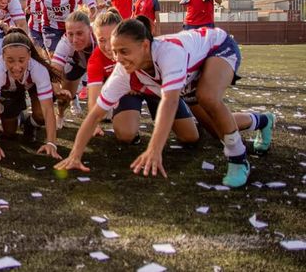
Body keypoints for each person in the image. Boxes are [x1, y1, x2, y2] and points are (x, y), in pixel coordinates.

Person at [56, 17, 274, 188]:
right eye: (115, 52)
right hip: (188, 74)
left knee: (207, 97)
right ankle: (262, 121)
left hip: (216, 47)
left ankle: (238, 158)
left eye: (124, 51)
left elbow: (169, 101)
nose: (118, 59)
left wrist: (154, 148)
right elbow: (95, 113)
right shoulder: (122, 72)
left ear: (144, 45)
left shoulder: (169, 53)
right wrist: (75, 155)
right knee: (215, 128)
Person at [84, 10, 198, 144]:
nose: (109, 46)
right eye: (102, 40)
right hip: (129, 93)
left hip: (157, 89)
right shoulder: (96, 60)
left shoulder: (147, 47)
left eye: (111, 38)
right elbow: (94, 94)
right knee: (125, 135)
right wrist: (94, 124)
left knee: (190, 137)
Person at [0, 28, 61, 161]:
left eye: (21, 60)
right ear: (3, 55)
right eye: (10, 60)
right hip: (10, 90)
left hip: (31, 86)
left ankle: (30, 124)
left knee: (41, 115)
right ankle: (19, 116)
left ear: (29, 55)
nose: (16, 66)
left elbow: (48, 110)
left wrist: (51, 143)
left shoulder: (39, 69)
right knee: (9, 133)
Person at [50, 11, 97, 129]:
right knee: (65, 97)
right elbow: (54, 72)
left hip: (99, 64)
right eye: (70, 34)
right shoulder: (65, 42)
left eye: (80, 33)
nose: (75, 40)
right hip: (78, 65)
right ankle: (60, 114)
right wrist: (58, 91)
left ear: (90, 30)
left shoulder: (100, 38)